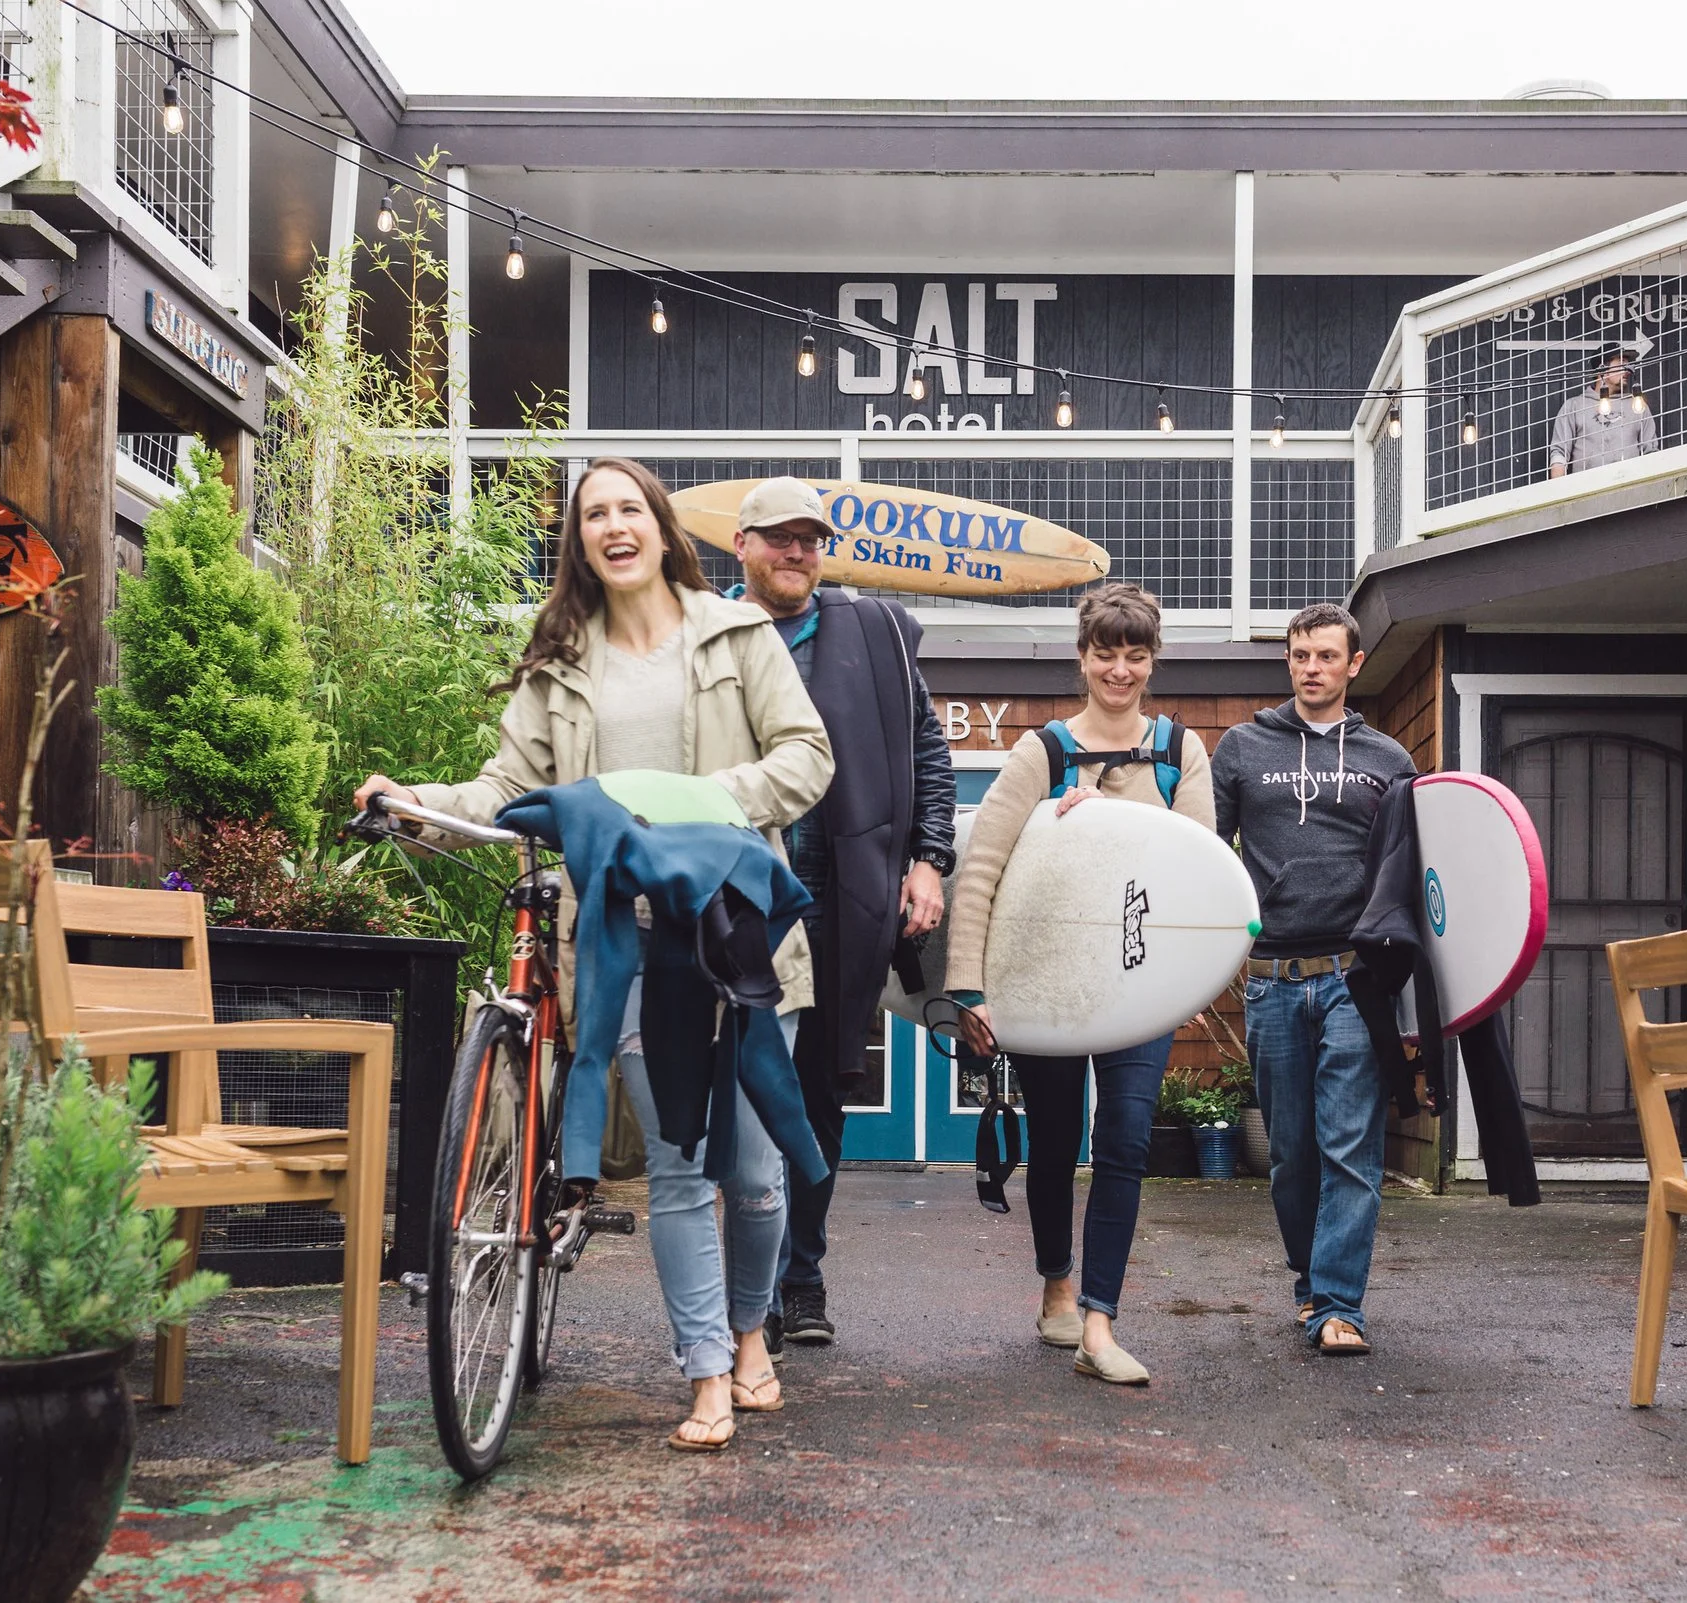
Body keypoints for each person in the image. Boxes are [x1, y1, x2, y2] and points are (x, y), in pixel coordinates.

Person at [354, 456, 833, 1453]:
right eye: (592, 515)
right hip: (623, 944)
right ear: (579, 542)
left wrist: (694, 810)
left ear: (661, 528)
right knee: (675, 1166)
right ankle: (704, 1370)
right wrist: (413, 807)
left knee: (751, 1172)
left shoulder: (737, 636)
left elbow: (806, 757)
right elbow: (503, 789)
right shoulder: (559, 662)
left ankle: (752, 1331)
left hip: (735, 929)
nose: (612, 526)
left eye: (628, 508)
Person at [943, 581, 1215, 1387]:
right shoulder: (1044, 751)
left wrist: (1108, 820)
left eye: (1135, 653)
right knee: (1057, 1142)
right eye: (1106, 652)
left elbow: (1200, 866)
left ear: (1152, 658)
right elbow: (982, 869)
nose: (1120, 669)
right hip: (1051, 983)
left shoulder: (1178, 751)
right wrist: (967, 988)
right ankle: (1057, 1282)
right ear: (1083, 656)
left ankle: (1101, 1321)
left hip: (1140, 987)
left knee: (1125, 1141)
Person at [725, 477, 956, 1353]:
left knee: (818, 1093)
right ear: (740, 545)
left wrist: (929, 858)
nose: (796, 552)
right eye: (778, 538)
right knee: (744, 1093)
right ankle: (752, 1288)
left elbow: (928, 752)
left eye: (809, 539)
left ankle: (803, 1277)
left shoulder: (875, 634)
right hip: (738, 893)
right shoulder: (713, 635)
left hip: (843, 896)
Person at [1211, 602, 1413, 1356]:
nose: (1312, 667)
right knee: (1291, 1151)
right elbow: (1205, 848)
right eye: (1300, 654)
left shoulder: (1391, 761)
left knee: (1349, 1145)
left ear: (1354, 664)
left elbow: (1411, 874)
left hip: (1357, 978)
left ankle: (1339, 1304)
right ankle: (1309, 1281)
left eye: (1327, 655)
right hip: (1271, 975)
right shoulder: (1241, 746)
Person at [1548, 351, 1657, 478]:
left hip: (1630, 489)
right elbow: (1559, 453)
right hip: (1587, 490)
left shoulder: (1637, 405)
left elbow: (1651, 452)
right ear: (1602, 370)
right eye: (1621, 365)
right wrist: (1559, 491)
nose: (1627, 371)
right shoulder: (1574, 406)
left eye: (1628, 366)